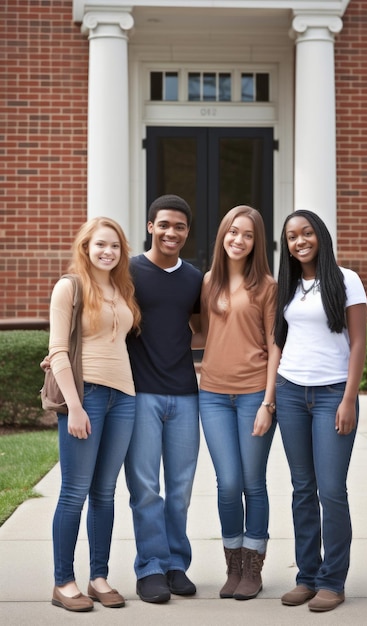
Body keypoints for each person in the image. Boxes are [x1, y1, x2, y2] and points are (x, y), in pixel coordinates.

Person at [274, 210, 367, 613]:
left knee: (331, 490)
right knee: (302, 490)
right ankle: (307, 577)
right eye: (292, 236)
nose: (300, 241)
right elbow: (279, 338)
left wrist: (348, 398)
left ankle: (333, 580)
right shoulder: (288, 285)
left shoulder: (346, 279)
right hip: (291, 391)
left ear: (320, 235)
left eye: (306, 232)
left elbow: (359, 343)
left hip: (332, 395)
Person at [48, 217, 141, 612]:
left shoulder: (122, 288)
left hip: (124, 397)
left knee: (105, 492)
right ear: (85, 247)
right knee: (74, 492)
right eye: (101, 244)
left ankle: (98, 575)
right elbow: (58, 352)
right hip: (86, 397)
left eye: (116, 246)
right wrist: (74, 406)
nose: (108, 251)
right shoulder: (69, 286)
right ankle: (63, 582)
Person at [194, 205, 279, 601]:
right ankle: (232, 566)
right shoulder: (208, 282)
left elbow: (274, 344)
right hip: (211, 393)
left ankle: (253, 568)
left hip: (252, 395)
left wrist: (268, 402)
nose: (238, 240)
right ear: (222, 235)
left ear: (256, 241)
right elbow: (203, 334)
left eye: (247, 234)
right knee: (227, 484)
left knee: (252, 482)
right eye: (232, 231)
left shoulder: (267, 286)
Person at [124, 194, 203, 604]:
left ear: (187, 233)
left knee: (181, 487)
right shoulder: (129, 271)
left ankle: (176, 564)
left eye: (180, 227)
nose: (172, 232)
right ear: (151, 226)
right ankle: (150, 566)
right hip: (140, 395)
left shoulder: (195, 278)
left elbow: (204, 327)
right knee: (145, 486)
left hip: (185, 395)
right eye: (164, 224)